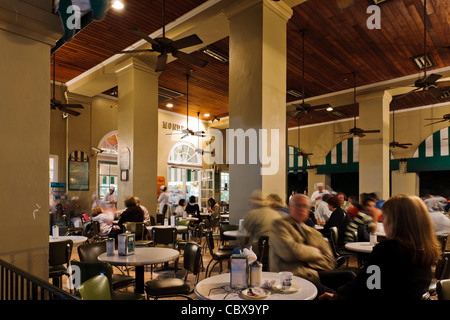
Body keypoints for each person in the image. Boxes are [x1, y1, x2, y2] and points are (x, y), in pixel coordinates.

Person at [319, 194, 441, 300]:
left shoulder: (387, 250)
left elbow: (369, 287)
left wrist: (337, 296)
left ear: (396, 222)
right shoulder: (426, 250)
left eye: (385, 217)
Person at [269, 194, 355, 293]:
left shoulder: (313, 232)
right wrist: (315, 252)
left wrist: (302, 254)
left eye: (305, 206)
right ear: (290, 208)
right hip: (292, 278)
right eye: (298, 205)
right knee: (337, 295)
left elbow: (330, 262)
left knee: (350, 277)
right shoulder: (280, 225)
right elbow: (289, 252)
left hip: (313, 273)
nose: (301, 209)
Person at [241, 190, 281, 256]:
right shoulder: (277, 214)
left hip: (257, 251)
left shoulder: (252, 215)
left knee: (236, 250)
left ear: (255, 203)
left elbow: (243, 235)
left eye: (251, 202)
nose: (249, 204)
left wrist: (242, 244)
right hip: (275, 252)